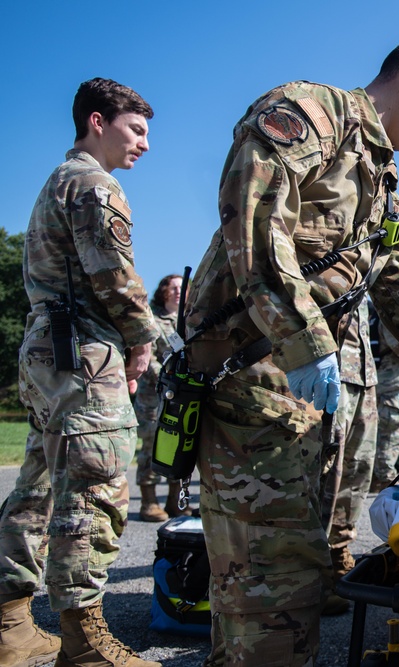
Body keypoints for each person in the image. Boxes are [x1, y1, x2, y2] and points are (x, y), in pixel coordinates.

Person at [183, 38, 399, 666]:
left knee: (280, 578)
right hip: (254, 376)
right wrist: (305, 342)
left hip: (310, 401)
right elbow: (253, 220)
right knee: (272, 584)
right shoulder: (311, 115)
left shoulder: (384, 188)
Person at [0, 78, 160, 667]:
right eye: (136, 130)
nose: (144, 144)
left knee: (38, 486)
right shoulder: (95, 183)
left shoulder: (55, 181)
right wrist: (144, 337)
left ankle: (11, 624)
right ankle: (84, 641)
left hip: (48, 347)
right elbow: (114, 276)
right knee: (94, 486)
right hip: (84, 352)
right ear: (98, 122)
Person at [318, 299, 377, 616]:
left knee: (357, 472)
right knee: (328, 474)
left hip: (364, 376)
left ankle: (339, 551)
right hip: (332, 375)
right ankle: (315, 569)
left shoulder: (370, 258)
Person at [133, 273, 190, 522]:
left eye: (182, 287)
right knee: (151, 446)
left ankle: (175, 501)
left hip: (181, 396)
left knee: (179, 444)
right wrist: (167, 376)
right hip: (153, 397)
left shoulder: (189, 320)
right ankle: (149, 502)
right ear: (164, 290)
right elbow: (147, 357)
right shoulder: (152, 319)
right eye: (173, 287)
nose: (178, 291)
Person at [370, 319, 399, 493]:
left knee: (383, 427)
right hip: (391, 380)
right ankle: (384, 477)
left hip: (387, 378)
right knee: (390, 427)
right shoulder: (389, 315)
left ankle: (379, 474)